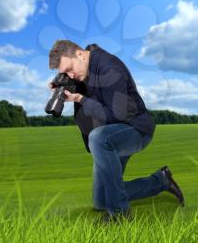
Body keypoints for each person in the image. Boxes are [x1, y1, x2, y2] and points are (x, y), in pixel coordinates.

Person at [48, 40, 185, 222]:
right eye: (65, 73)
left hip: (134, 129)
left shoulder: (110, 68)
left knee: (97, 139)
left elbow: (117, 115)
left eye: (70, 69)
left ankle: (120, 214)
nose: (70, 75)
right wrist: (62, 85)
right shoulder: (83, 68)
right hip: (109, 136)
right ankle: (161, 181)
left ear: (80, 54)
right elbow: (86, 85)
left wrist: (80, 98)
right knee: (101, 200)